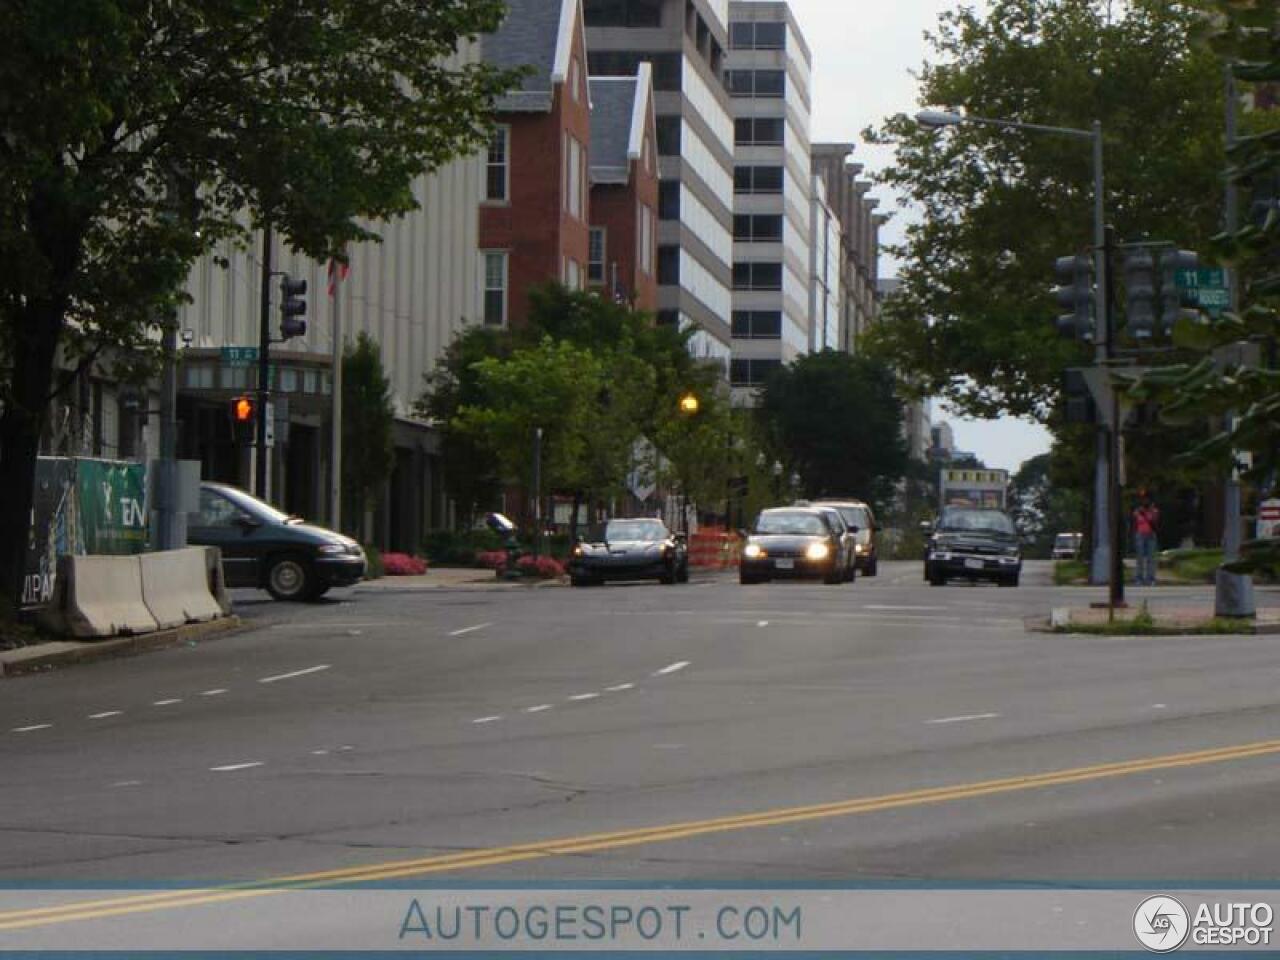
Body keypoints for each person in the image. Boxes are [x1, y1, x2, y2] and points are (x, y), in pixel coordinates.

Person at [1132, 493, 1161, 586]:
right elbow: (1135, 520)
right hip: (1140, 535)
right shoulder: (1138, 511)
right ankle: (1139, 578)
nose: (1146, 504)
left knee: (1151, 558)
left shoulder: (1154, 511)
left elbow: (1154, 520)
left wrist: (1150, 511)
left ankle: (1150, 578)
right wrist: (1140, 512)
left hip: (1151, 535)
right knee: (1139, 558)